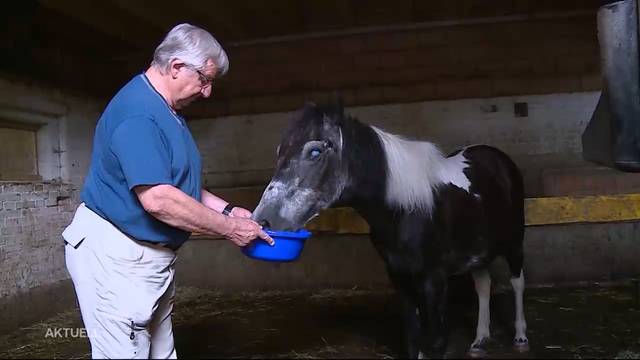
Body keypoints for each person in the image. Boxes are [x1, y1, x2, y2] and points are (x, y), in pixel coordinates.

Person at [61, 23, 274, 359]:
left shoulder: (167, 110)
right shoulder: (139, 114)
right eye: (205, 80)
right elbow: (159, 198)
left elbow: (178, 184)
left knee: (161, 353)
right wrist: (231, 229)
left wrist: (229, 211)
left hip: (146, 258)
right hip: (116, 256)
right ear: (176, 67)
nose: (207, 92)